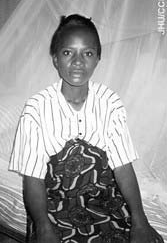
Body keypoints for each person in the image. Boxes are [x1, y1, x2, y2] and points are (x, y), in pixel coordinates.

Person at [9, 14, 164, 243]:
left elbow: (122, 166)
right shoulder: (36, 109)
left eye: (88, 53)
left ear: (98, 58)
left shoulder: (110, 102)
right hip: (53, 204)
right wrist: (43, 228)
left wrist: (140, 220)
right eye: (67, 52)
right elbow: (33, 178)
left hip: (103, 198)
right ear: (55, 59)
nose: (78, 62)